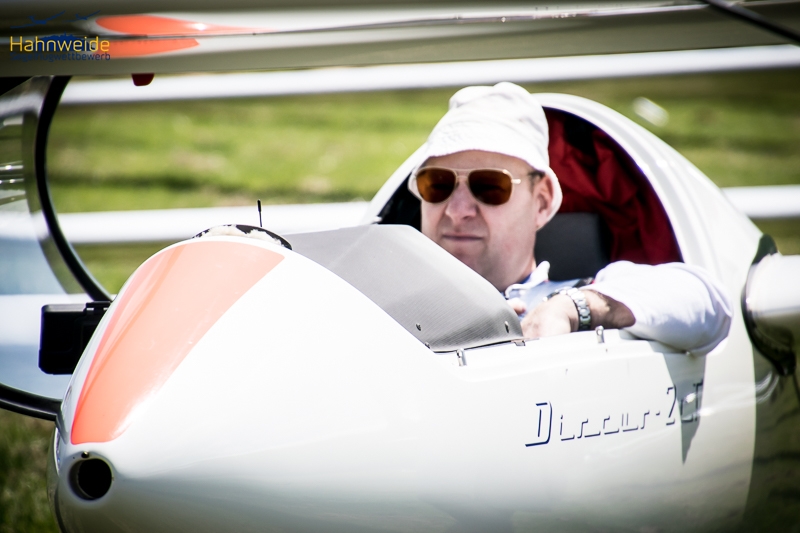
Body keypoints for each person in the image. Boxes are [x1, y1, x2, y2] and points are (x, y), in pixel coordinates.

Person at [406, 82, 731, 354]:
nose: (457, 210)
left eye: (489, 186)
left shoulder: (581, 296)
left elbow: (709, 304)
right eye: (438, 184)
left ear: (542, 202)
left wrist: (573, 308)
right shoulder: (387, 308)